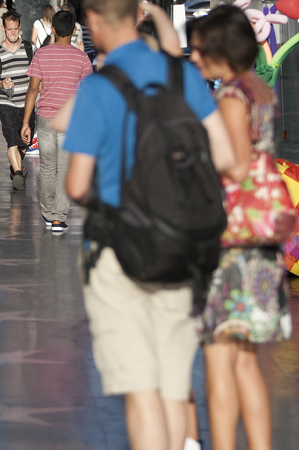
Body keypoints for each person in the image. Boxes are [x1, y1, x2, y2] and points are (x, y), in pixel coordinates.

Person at [57, 0, 236, 447]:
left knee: (142, 391)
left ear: (94, 22)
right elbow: (228, 157)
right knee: (175, 388)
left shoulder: (100, 88)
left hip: (122, 253)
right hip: (182, 246)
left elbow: (77, 186)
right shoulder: (183, 76)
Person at [190, 6, 292, 450]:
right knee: (247, 361)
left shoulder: (232, 96)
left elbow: (232, 162)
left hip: (231, 241)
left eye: (200, 49)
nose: (194, 57)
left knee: (219, 360)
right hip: (262, 240)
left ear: (219, 48)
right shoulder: (260, 90)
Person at [22, 10, 91, 232]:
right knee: (64, 168)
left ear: (52, 29)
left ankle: (48, 212)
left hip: (44, 118)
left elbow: (33, 89)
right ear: (73, 31)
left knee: (47, 167)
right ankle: (59, 217)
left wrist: (26, 122)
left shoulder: (41, 54)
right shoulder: (82, 58)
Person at [0, 10, 34, 190]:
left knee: (24, 142)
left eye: (15, 29)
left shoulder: (30, 49)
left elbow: (37, 76)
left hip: (28, 104)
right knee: (11, 139)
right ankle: (19, 174)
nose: (13, 33)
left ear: (19, 27)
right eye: (9, 29)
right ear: (3, 29)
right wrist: (1, 83)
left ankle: (15, 170)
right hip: (7, 103)